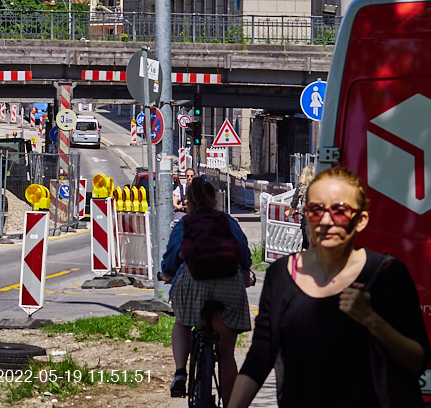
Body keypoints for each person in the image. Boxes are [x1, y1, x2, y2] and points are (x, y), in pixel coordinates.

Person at [228, 166, 430, 408]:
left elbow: (417, 361)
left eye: (340, 211)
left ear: (361, 219)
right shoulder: (281, 276)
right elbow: (260, 357)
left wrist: (371, 320)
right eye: (316, 210)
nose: (326, 220)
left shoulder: (387, 274)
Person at [162, 176, 252, 403]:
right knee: (226, 355)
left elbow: (172, 259)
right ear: (214, 200)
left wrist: (167, 274)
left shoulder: (183, 224)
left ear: (188, 201)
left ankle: (181, 371)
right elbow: (244, 254)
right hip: (229, 283)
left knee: (182, 322)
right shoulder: (228, 221)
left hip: (192, 281)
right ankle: (232, 404)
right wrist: (246, 274)